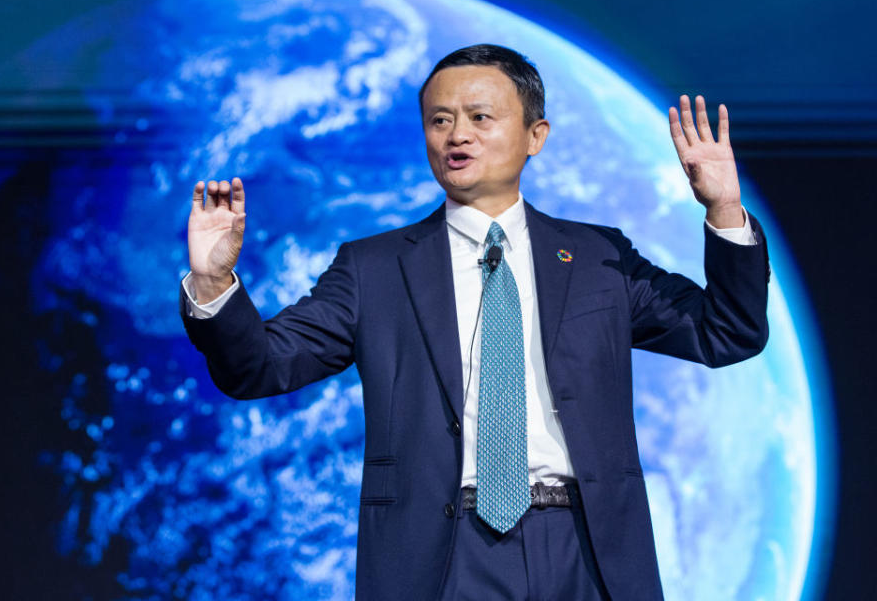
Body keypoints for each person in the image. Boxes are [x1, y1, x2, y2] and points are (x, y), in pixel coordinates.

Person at [180, 44, 769, 600]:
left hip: (588, 546)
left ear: (535, 136)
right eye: (439, 121)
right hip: (444, 552)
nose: (457, 134)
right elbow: (256, 368)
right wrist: (213, 285)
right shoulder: (374, 269)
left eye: (480, 117)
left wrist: (723, 209)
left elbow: (726, 333)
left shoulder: (598, 258)